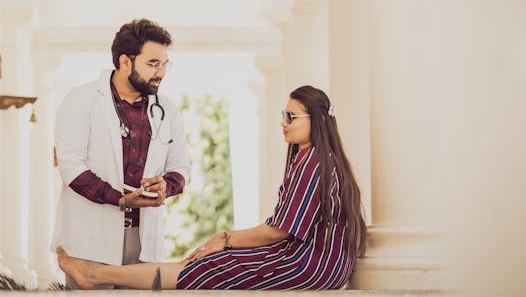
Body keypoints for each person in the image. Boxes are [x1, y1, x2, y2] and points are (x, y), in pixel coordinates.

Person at [57, 85, 367, 290]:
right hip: (311, 260)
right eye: (281, 115)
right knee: (201, 264)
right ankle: (95, 273)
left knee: (205, 266)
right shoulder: (314, 159)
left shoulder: (315, 162)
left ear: (317, 120)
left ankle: (95, 273)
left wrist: (224, 239)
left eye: (291, 116)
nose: (283, 122)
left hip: (310, 265)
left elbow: (279, 231)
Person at [50, 18, 191, 289]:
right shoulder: (81, 100)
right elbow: (72, 168)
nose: (161, 72)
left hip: (143, 239)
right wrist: (121, 199)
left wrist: (166, 186)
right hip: (90, 237)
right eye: (152, 63)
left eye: (164, 64)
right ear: (125, 62)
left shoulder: (167, 109)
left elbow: (181, 168)